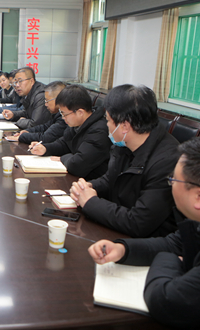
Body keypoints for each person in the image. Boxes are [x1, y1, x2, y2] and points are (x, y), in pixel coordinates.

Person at [88, 136, 200, 329]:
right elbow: (176, 243)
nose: (171, 184)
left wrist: (170, 259)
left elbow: (166, 302)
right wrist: (123, 249)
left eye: (173, 180)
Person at [70, 84, 179, 237]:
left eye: (108, 120)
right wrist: (88, 187)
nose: (106, 125)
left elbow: (138, 222)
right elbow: (111, 179)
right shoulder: (125, 143)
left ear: (125, 126)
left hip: (147, 241)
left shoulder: (167, 162)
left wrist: (90, 202)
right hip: (118, 226)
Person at [29, 84, 111, 180]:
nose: (63, 118)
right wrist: (45, 148)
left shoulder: (99, 131)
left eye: (64, 114)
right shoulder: (77, 123)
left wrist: (62, 158)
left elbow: (78, 165)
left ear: (80, 112)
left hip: (91, 183)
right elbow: (64, 143)